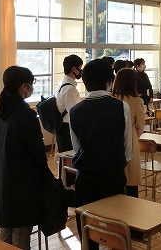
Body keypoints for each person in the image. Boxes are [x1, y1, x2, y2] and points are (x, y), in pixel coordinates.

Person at [69, 59, 132, 249]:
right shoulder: (121, 107)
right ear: (109, 81)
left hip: (86, 178)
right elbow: (127, 148)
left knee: (88, 228)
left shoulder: (75, 110)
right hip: (112, 175)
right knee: (115, 229)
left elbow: (76, 148)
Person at [0, 66, 52, 250]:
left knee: (6, 233)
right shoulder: (25, 114)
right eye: (31, 83)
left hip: (3, 180)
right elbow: (37, 151)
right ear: (24, 86)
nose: (32, 87)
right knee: (21, 236)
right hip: (21, 184)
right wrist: (46, 176)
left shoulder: (0, 114)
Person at [112, 68, 145, 198]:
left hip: (112, 139)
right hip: (130, 139)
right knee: (130, 177)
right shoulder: (137, 101)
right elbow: (140, 126)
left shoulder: (111, 98)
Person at [55, 55, 83, 154]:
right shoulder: (70, 89)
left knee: (65, 156)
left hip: (62, 126)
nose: (81, 71)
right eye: (80, 68)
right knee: (69, 157)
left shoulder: (62, 83)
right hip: (67, 129)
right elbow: (74, 114)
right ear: (74, 69)